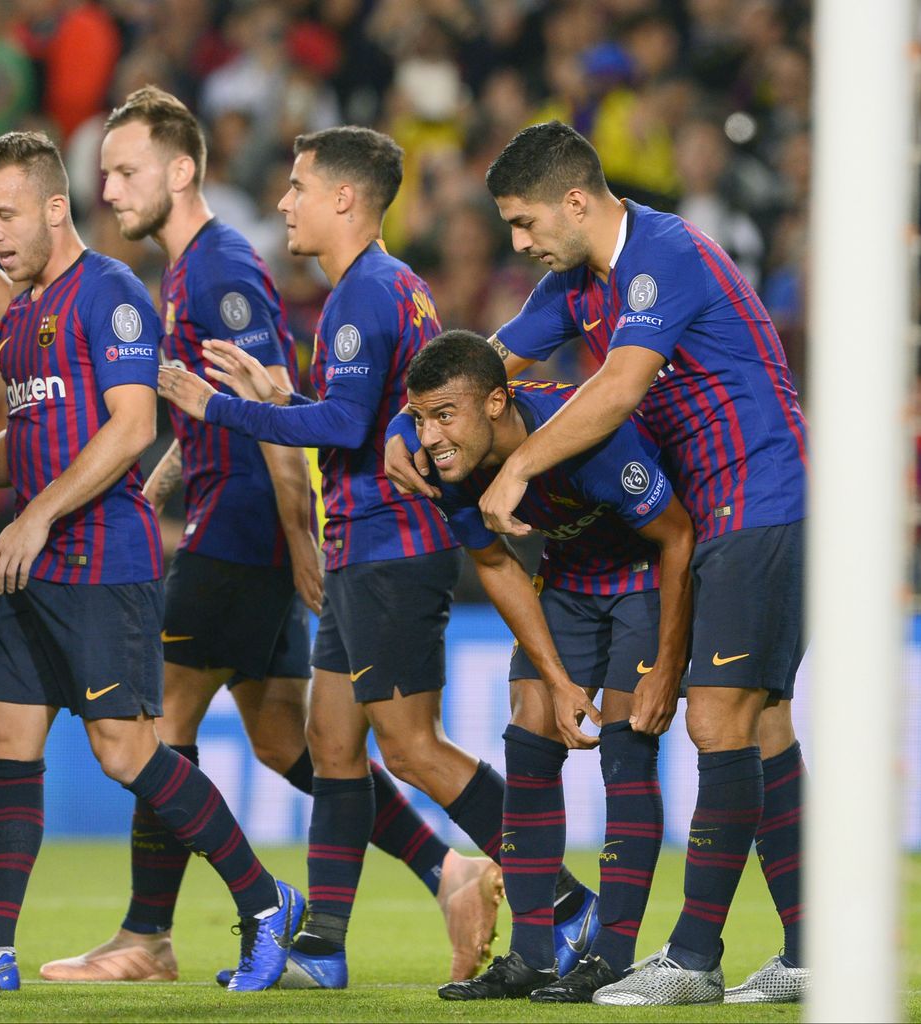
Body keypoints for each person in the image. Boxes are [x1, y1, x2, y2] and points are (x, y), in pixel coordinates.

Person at [42, 84, 497, 986]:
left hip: (248, 535)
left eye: (125, 170)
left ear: (180, 170)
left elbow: (291, 415)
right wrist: (165, 477)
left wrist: (296, 535)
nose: (109, 188)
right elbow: (256, 404)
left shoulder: (222, 270)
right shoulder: (198, 271)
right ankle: (433, 876)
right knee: (296, 740)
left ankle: (150, 935)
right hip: (273, 527)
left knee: (160, 725)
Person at [158, 126, 590, 989]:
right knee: (331, 741)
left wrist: (218, 408)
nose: (284, 202)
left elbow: (348, 425)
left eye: (298, 187)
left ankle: (566, 902)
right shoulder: (385, 288)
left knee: (414, 748)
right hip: (362, 544)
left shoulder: (365, 294)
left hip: (394, 546)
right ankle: (323, 948)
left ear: (344, 198)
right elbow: (356, 417)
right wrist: (281, 395)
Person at [391, 120, 808, 1005]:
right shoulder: (577, 285)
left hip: (758, 491)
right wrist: (407, 424)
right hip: (717, 504)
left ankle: (691, 960)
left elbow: (618, 386)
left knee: (719, 723)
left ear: (575, 201)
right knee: (761, 724)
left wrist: (520, 469)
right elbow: (485, 364)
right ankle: (811, 948)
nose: (517, 242)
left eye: (524, 221)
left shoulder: (664, 254)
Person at [0, 129, 302, 993]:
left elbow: (134, 425)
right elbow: (42, 429)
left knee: (128, 752)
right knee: (4, 740)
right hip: (29, 565)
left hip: (101, 560)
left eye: (6, 214)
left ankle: (265, 903)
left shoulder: (111, 292)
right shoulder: (18, 316)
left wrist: (37, 515)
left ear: (54, 207)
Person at [385, 331, 693, 1002]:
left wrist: (669, 664)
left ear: (496, 403)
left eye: (444, 416)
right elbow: (494, 563)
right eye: (421, 418)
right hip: (570, 576)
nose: (431, 437)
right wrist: (556, 681)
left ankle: (611, 955)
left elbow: (676, 535)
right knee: (528, 738)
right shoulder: (451, 463)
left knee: (626, 746)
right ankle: (531, 955)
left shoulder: (592, 441)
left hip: (644, 574)